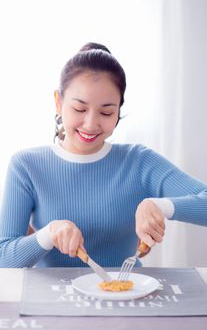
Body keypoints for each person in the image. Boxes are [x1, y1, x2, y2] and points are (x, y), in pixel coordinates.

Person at [0, 42, 207, 268]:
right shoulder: (26, 166)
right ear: (58, 103)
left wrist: (161, 205)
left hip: (125, 297)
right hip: (52, 301)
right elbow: (4, 257)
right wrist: (48, 234)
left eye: (106, 112)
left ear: (118, 111)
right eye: (79, 109)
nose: (90, 124)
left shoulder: (139, 162)